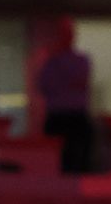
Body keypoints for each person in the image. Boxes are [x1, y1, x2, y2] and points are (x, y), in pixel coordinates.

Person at [36, 17, 95, 173]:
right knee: (58, 162)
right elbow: (44, 85)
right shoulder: (50, 63)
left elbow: (79, 80)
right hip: (58, 118)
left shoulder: (80, 61)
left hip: (75, 118)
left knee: (79, 161)